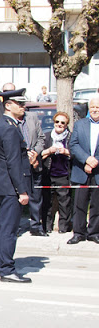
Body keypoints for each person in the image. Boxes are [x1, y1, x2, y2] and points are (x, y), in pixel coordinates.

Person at [0, 88, 33, 283]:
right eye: (20, 104)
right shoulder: (9, 127)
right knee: (8, 229)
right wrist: (21, 190)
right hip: (10, 186)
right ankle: (7, 268)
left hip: (2, 184)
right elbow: (13, 162)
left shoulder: (3, 124)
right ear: (8, 105)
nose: (23, 107)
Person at [67, 96, 99, 244]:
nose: (95, 110)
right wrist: (86, 159)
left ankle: (94, 232)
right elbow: (73, 145)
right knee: (79, 203)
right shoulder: (80, 124)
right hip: (81, 169)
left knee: (97, 204)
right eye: (93, 107)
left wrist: (94, 162)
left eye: (98, 107)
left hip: (97, 171)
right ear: (89, 108)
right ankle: (78, 232)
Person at [42, 111, 72, 234]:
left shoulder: (70, 137)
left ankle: (63, 227)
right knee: (47, 202)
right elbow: (40, 154)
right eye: (57, 122)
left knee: (64, 203)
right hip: (48, 173)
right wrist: (49, 150)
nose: (59, 124)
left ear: (66, 125)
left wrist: (66, 152)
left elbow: (74, 154)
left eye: (62, 123)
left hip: (63, 174)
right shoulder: (47, 136)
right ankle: (46, 226)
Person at [22, 106, 47, 236]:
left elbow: (41, 138)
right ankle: (14, 227)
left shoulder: (32, 117)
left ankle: (36, 226)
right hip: (19, 163)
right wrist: (25, 156)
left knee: (36, 195)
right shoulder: (9, 122)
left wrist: (34, 153)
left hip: (34, 161)